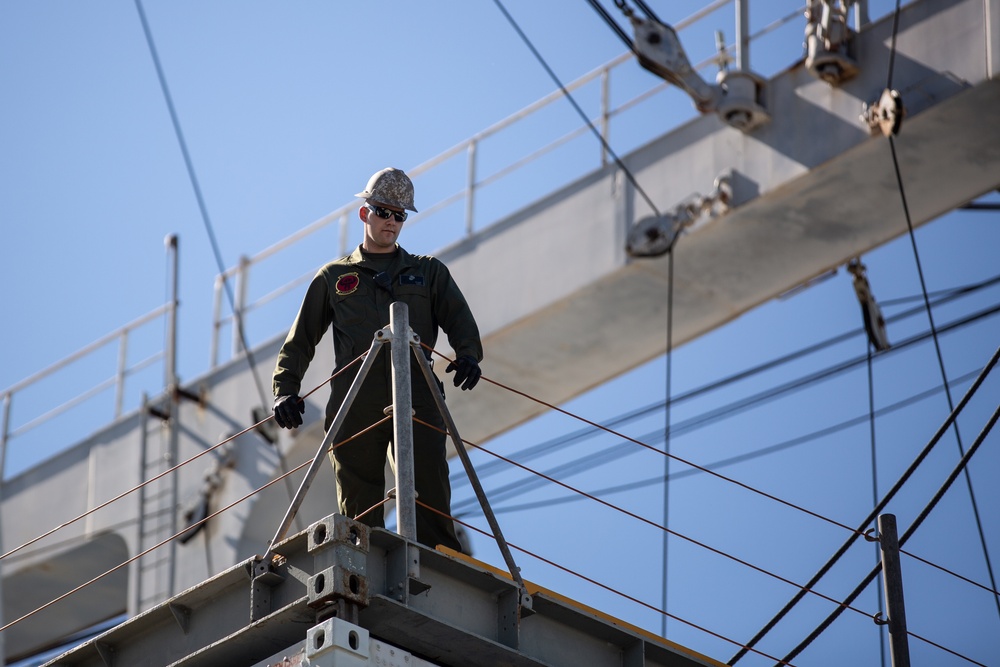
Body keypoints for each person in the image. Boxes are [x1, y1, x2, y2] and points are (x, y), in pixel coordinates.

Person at [271, 167, 483, 553]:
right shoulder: (334, 277)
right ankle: (359, 560)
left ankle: (438, 561)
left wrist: (468, 355)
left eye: (400, 215)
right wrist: (285, 391)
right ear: (364, 213)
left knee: (429, 483)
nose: (392, 221)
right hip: (356, 397)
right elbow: (300, 340)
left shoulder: (428, 272)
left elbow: (459, 318)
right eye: (384, 211)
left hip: (418, 390)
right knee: (358, 494)